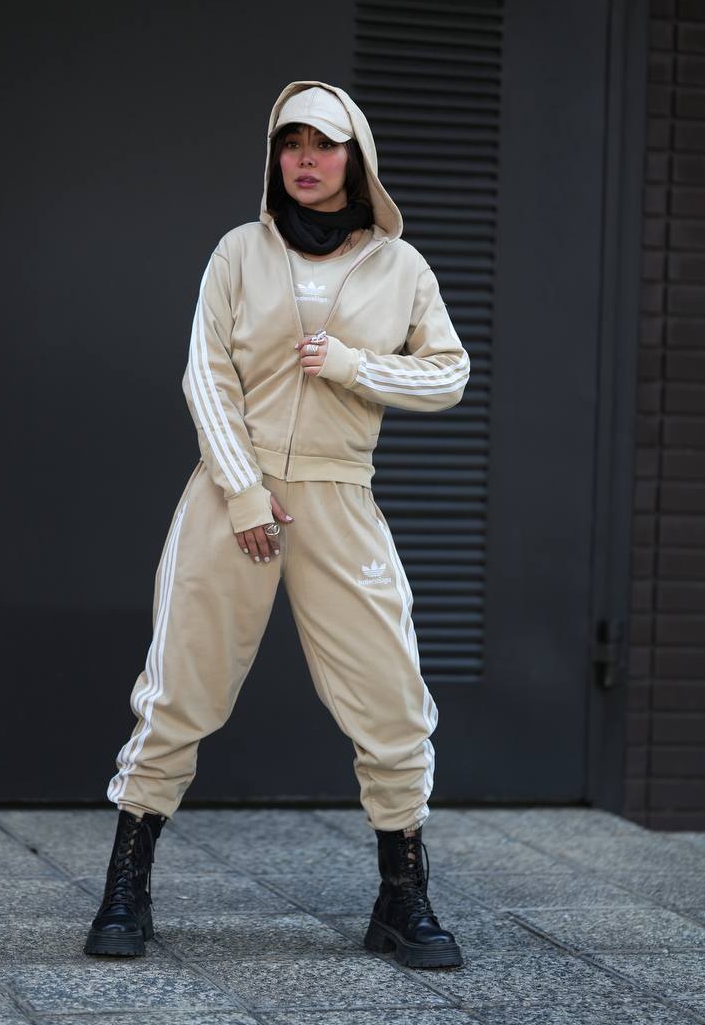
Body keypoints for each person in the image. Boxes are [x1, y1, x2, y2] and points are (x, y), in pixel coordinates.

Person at [84, 81, 471, 970]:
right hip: (233, 499)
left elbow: (447, 374)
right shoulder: (238, 252)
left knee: (390, 698)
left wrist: (354, 366)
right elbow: (205, 375)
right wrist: (244, 491)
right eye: (290, 143)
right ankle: (126, 889)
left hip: (340, 497)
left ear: (354, 158)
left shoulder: (401, 267)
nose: (305, 159)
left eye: (323, 144)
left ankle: (401, 897)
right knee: (178, 691)